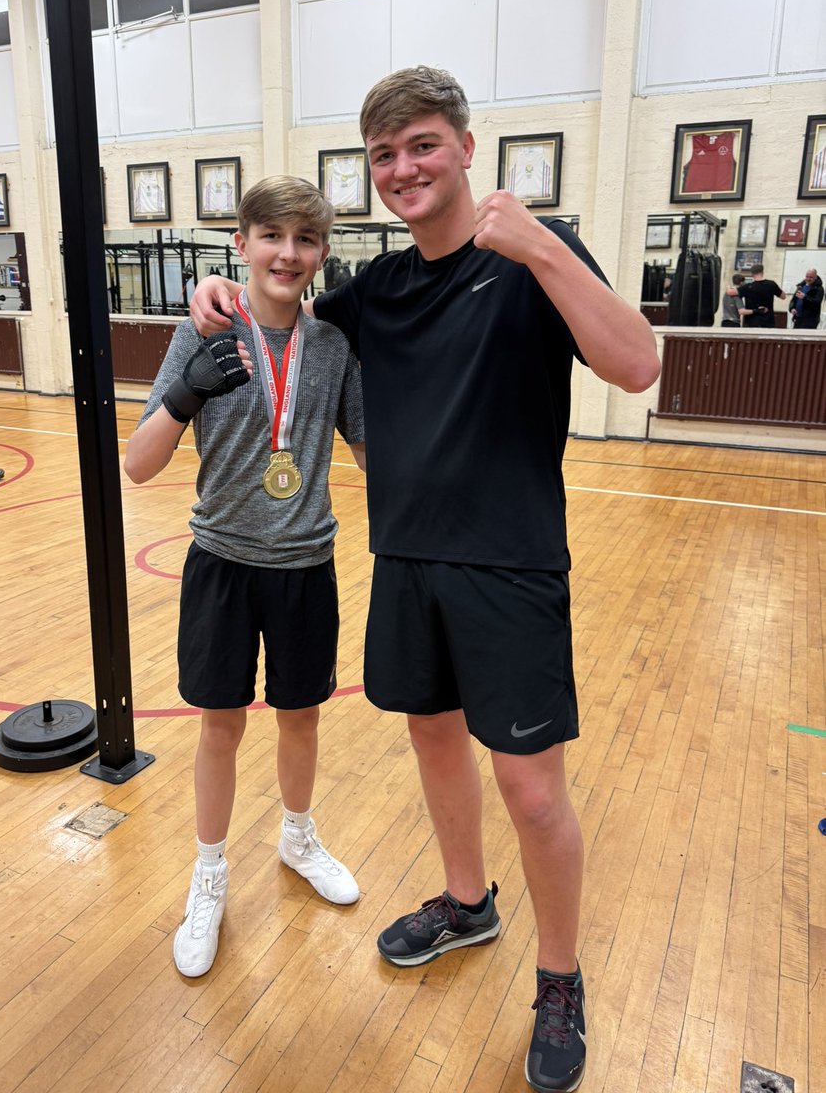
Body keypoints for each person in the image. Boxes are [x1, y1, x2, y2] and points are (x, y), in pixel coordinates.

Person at [189, 67, 660, 1093]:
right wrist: (216, 292)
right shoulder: (377, 293)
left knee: (534, 792)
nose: (404, 168)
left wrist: (538, 244)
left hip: (512, 566)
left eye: (423, 146)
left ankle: (560, 978)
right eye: (385, 155)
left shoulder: (534, 255)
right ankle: (466, 899)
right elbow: (284, 305)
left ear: (464, 148)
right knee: (433, 740)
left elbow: (637, 364)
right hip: (405, 563)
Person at [125, 176, 366, 980]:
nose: (287, 254)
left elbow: (371, 453)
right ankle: (210, 873)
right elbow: (138, 463)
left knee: (300, 720)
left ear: (321, 254)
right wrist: (187, 391)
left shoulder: (332, 348)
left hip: (306, 566)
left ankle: (297, 839)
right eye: (273, 237)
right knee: (219, 726)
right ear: (243, 243)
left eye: (304, 241)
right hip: (221, 563)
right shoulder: (201, 332)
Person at [740, 263, 786, 327]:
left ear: (752, 274)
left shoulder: (747, 287)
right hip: (768, 322)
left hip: (751, 322)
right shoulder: (771, 284)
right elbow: (783, 296)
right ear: (762, 272)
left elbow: (731, 293)